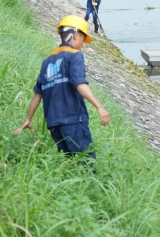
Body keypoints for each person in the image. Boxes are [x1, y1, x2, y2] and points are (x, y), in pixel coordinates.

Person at [14, 15, 111, 159]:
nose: (83, 45)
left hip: (54, 124)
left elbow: (38, 94)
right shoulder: (75, 55)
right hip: (73, 120)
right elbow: (79, 83)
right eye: (83, 39)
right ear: (76, 35)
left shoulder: (47, 60)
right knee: (86, 162)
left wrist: (28, 119)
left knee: (70, 162)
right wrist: (99, 107)